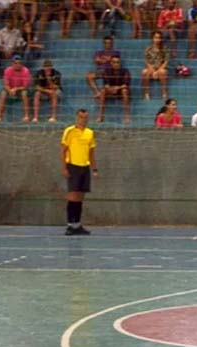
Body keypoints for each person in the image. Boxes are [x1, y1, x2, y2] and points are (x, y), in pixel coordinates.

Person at [61, 108, 99, 236]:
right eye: (81, 117)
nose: (84, 120)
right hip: (73, 166)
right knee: (72, 196)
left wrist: (94, 168)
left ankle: (77, 224)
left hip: (84, 166)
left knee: (80, 197)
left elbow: (91, 153)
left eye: (86, 117)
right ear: (77, 118)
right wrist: (64, 167)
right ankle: (69, 225)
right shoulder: (69, 131)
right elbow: (63, 151)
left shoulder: (90, 133)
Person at [0, 55, 31, 122]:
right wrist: (10, 90)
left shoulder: (26, 71)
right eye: (15, 63)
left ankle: (26, 116)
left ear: (21, 64)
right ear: (12, 64)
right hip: (10, 89)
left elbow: (26, 86)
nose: (17, 65)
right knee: (3, 93)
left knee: (24, 93)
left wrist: (16, 89)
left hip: (21, 89)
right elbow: (5, 84)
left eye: (19, 63)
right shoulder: (8, 70)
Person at [96, 55, 131, 123]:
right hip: (110, 90)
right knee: (103, 91)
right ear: (111, 63)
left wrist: (117, 88)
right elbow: (106, 84)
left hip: (120, 90)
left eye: (118, 62)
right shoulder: (106, 71)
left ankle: (127, 117)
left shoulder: (125, 71)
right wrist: (111, 89)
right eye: (114, 62)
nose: (116, 64)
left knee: (124, 91)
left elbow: (125, 84)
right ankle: (101, 116)